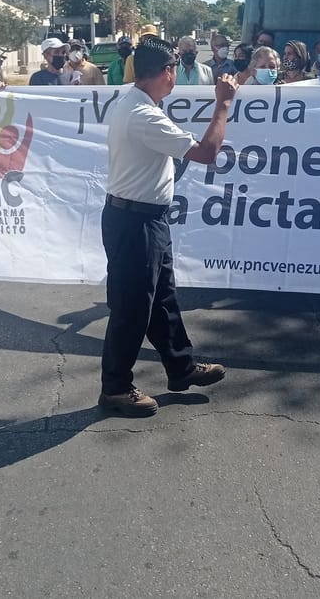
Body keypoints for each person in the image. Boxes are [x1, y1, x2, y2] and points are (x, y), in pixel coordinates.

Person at [98, 35, 236, 416]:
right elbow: (207, 153)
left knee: (160, 299)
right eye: (173, 68)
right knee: (131, 308)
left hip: (144, 218)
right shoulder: (143, 114)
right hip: (135, 221)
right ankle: (115, 387)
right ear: (167, 73)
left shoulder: (134, 99)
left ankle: (181, 367)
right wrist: (223, 104)